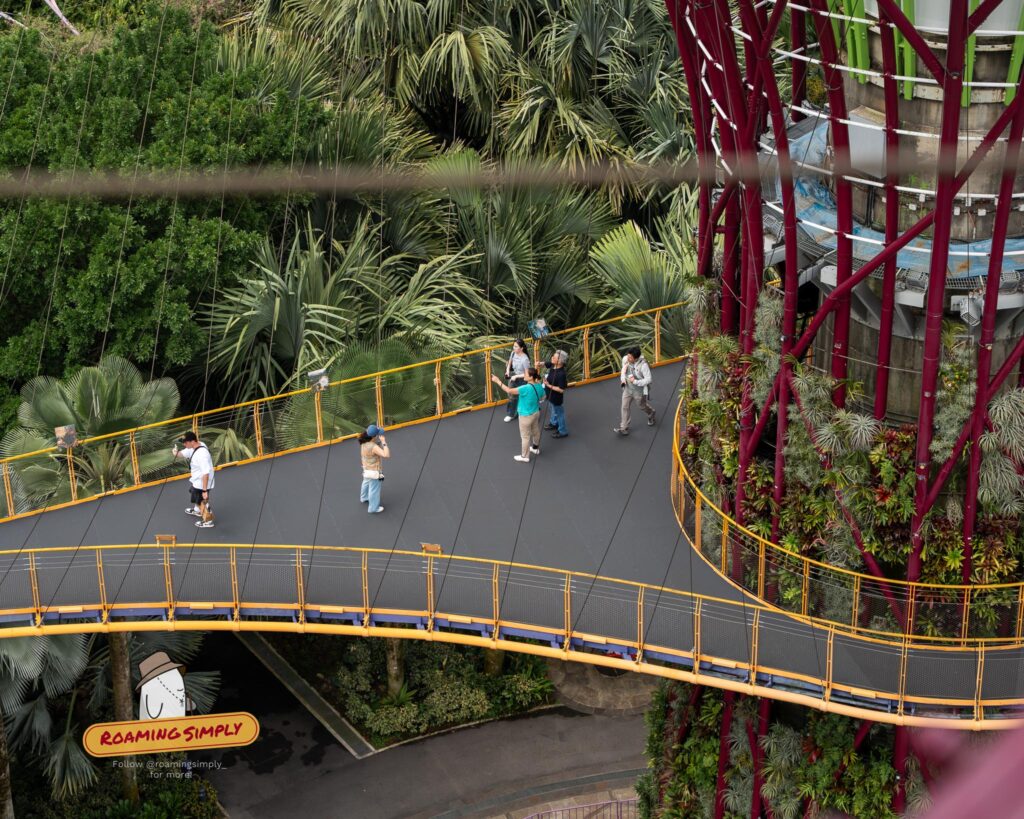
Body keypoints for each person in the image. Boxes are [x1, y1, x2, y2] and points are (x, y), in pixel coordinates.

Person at [491, 369, 546, 462]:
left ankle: (525, 457)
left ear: (531, 377)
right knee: (535, 430)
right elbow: (543, 397)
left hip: (525, 416)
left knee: (525, 437)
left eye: (525, 374)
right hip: (536, 413)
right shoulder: (539, 385)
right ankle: (535, 448)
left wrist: (497, 381)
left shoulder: (525, 388)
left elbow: (509, 390)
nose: (523, 375)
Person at [173, 431, 216, 528]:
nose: (184, 444)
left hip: (203, 483)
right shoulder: (194, 447)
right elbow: (182, 454)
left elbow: (206, 473)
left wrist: (205, 490)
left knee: (202, 501)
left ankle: (208, 522)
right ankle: (197, 511)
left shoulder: (202, 454)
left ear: (192, 441)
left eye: (185, 442)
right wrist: (176, 453)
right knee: (194, 494)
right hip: (196, 480)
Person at [614, 346, 655, 436]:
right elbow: (623, 371)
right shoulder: (625, 359)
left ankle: (651, 413)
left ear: (636, 358)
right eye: (628, 356)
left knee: (642, 406)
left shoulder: (643, 365)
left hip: (639, 391)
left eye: (630, 357)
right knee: (624, 407)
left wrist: (635, 381)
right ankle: (624, 427)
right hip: (628, 388)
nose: (628, 358)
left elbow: (649, 379)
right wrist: (623, 380)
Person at [537, 350, 569, 438]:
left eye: (554, 357)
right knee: (552, 409)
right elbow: (547, 363)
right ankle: (554, 423)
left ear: (559, 361)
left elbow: (561, 390)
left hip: (556, 398)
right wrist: (540, 363)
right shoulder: (553, 365)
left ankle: (563, 431)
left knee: (559, 413)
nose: (551, 358)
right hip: (550, 395)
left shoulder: (561, 374)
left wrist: (548, 385)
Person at [358, 425, 389, 514]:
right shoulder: (373, 446)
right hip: (374, 471)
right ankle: (373, 508)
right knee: (374, 490)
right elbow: (386, 455)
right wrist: (383, 442)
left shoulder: (363, 442)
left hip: (366, 469)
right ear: (374, 436)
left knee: (366, 482)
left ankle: (363, 498)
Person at [503, 338, 531, 423]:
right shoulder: (513, 353)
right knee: (511, 395)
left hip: (522, 379)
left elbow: (527, 374)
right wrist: (507, 371)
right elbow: (509, 363)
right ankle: (510, 414)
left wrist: (517, 376)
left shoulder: (525, 359)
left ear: (521, 348)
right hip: (513, 376)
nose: (514, 348)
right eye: (513, 346)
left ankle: (529, 412)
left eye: (516, 346)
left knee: (523, 397)